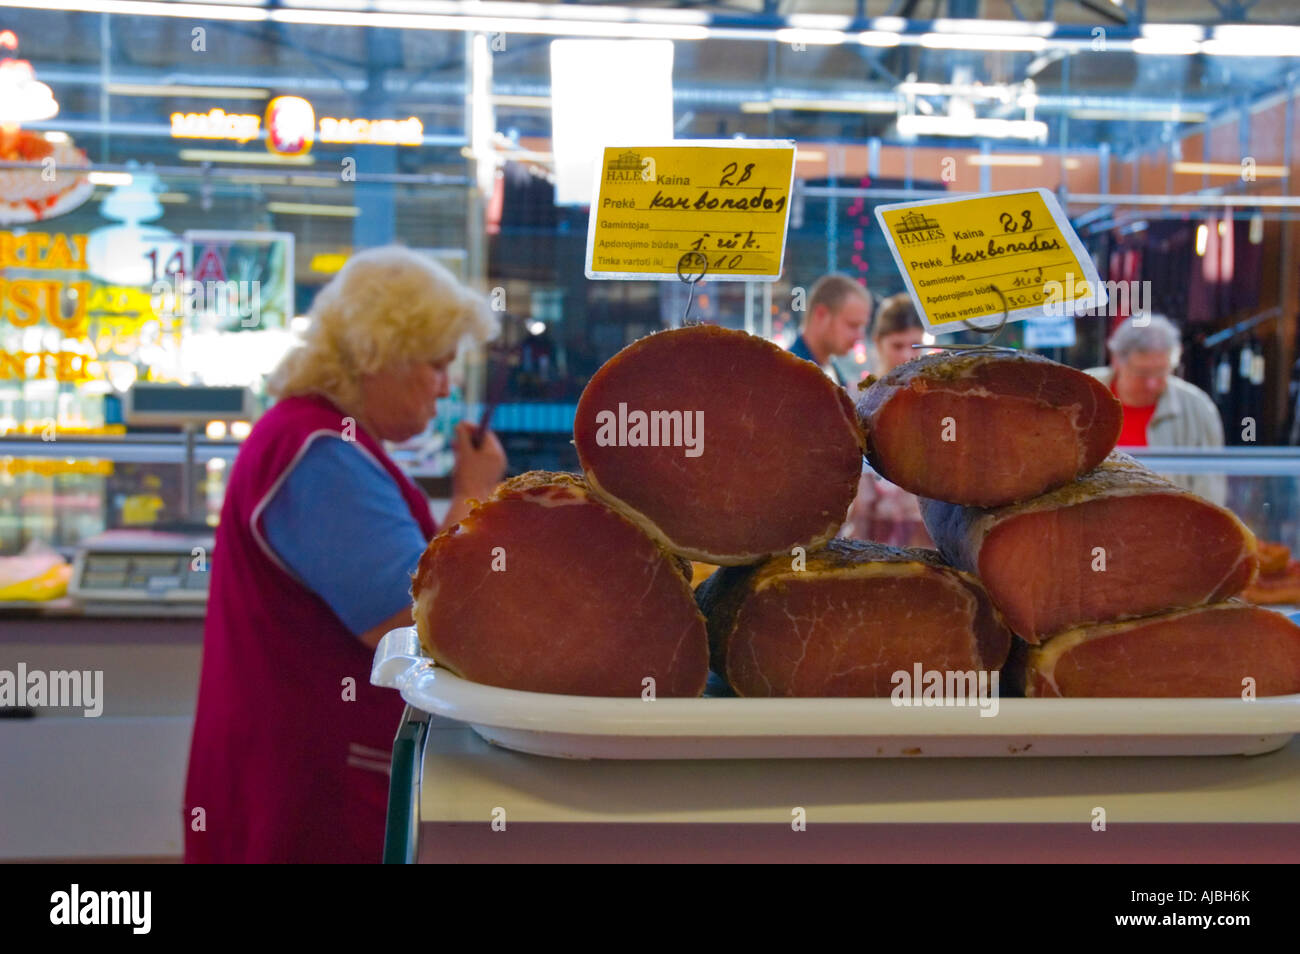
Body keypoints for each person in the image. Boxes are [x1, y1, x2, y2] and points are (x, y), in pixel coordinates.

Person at [183, 246, 505, 863]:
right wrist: (474, 493)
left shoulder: (314, 437)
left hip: (299, 766)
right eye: (436, 363)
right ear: (377, 354)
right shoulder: (320, 454)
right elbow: (412, 616)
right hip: (310, 783)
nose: (446, 385)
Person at [1085, 314, 1226, 504]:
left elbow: (1210, 486)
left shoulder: (1198, 408)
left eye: (1161, 372)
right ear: (1117, 361)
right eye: (1143, 373)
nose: (1151, 383)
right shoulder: (1085, 392)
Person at [842, 293, 931, 546]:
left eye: (914, 345)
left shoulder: (934, 404)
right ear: (878, 342)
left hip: (922, 535)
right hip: (867, 532)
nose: (906, 356)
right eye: (897, 345)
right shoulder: (856, 398)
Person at [788, 273, 872, 386]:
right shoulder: (790, 376)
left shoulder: (830, 369)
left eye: (862, 327)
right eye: (853, 325)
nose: (860, 336)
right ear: (821, 315)